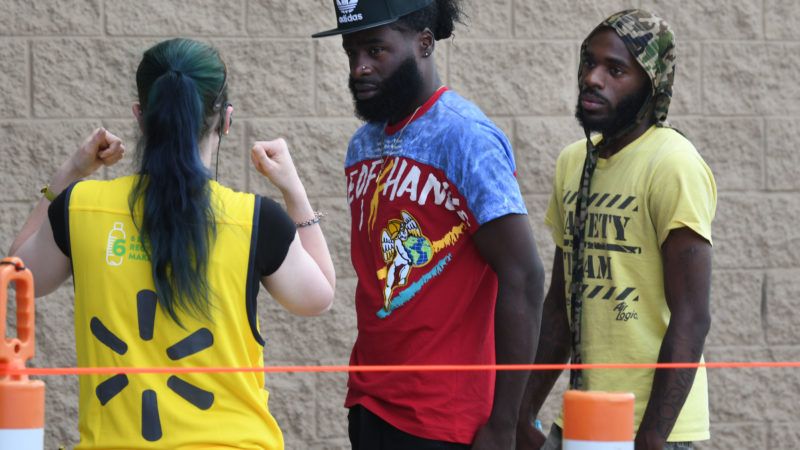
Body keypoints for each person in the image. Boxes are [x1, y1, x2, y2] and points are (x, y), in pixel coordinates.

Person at [8, 38, 335, 449]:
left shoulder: (81, 208)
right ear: (226, 120)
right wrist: (295, 191)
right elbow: (318, 297)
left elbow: (18, 277)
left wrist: (71, 171)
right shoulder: (254, 219)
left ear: (141, 119)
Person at [312, 1, 546, 448]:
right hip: (369, 399)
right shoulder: (363, 144)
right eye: (351, 52)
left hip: (443, 418)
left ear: (423, 43)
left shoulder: (465, 138)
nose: (359, 67)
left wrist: (505, 423)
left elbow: (525, 276)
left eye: (375, 50)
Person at [515, 10, 715, 450]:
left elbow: (692, 316)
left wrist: (652, 438)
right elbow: (560, 305)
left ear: (652, 84)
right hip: (583, 419)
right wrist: (521, 413)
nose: (592, 78)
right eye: (588, 62)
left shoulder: (672, 164)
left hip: (657, 429)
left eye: (615, 69)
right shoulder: (573, 162)